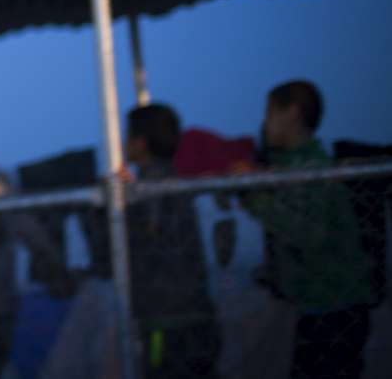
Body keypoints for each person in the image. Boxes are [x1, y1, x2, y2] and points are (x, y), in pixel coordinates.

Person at [239, 81, 374, 379]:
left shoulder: (310, 167)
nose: (264, 122)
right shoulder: (287, 165)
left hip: (336, 309)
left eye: (270, 112)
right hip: (319, 307)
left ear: (292, 114)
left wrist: (251, 195)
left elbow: (306, 233)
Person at [118, 103, 221, 378]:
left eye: (127, 135)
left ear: (140, 143)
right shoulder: (175, 181)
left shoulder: (150, 188)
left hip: (166, 319)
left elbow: (147, 236)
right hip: (198, 313)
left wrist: (123, 203)